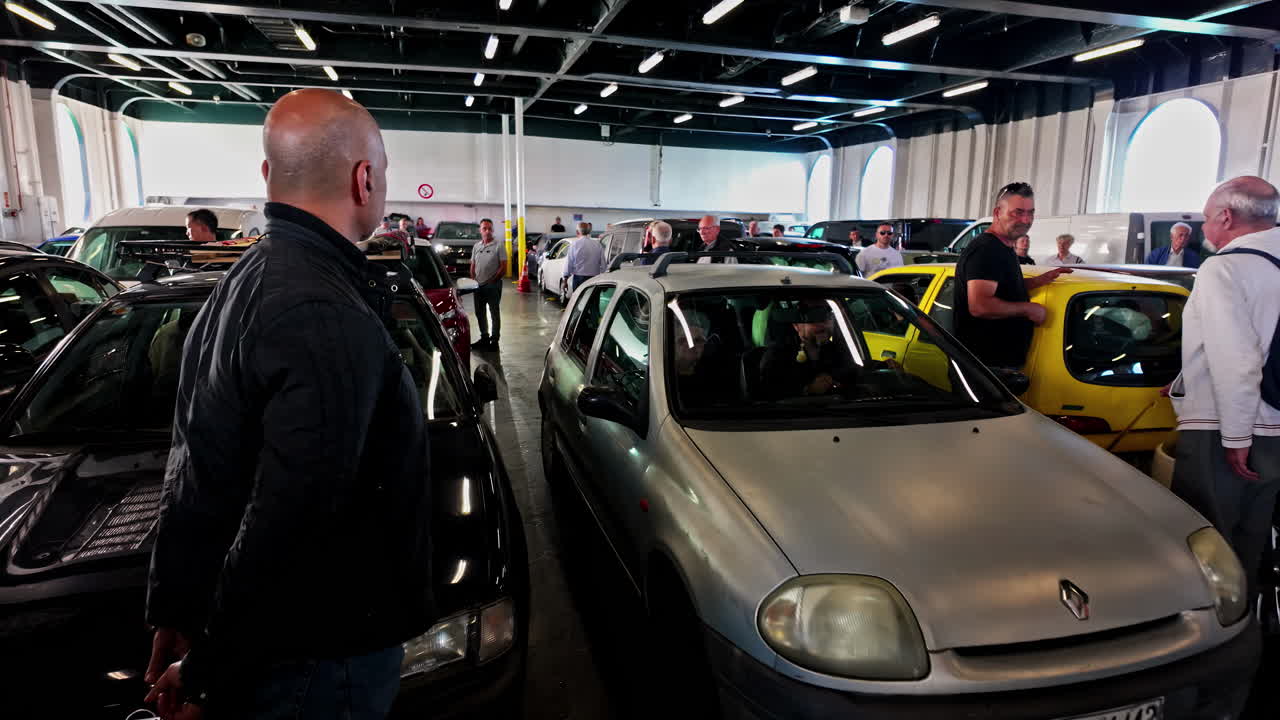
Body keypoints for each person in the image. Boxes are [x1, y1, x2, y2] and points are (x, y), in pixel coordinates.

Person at [144, 89, 430, 720]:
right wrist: (210, 662)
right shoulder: (321, 310)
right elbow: (291, 522)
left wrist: (179, 601)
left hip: (280, 649)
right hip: (320, 661)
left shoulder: (245, 281)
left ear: (268, 175)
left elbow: (194, 459)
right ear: (365, 179)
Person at [1170, 176, 1280, 598]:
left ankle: (1214, 635)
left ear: (1227, 217)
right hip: (1275, 425)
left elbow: (1237, 358)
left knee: (1208, 540)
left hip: (1227, 429)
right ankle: (1249, 620)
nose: (1202, 231)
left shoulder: (1225, 267)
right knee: (1252, 538)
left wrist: (1236, 436)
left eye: (1205, 220)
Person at [954, 182, 1071, 369]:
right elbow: (980, 305)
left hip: (998, 365)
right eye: (1018, 212)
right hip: (986, 367)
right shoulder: (987, 249)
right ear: (997, 212)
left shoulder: (1005, 247)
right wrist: (1028, 309)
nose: (1026, 220)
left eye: (1030, 212)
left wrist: (1038, 281)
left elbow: (1003, 289)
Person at [470, 217, 506, 350]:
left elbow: (503, 267)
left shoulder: (499, 245)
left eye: (490, 228)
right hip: (477, 286)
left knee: (494, 313)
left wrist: (493, 280)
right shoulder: (476, 246)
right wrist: (473, 279)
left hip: (493, 286)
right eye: (484, 228)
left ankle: (494, 341)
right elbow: (473, 265)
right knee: (479, 312)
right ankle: (484, 338)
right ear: (480, 230)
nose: (487, 231)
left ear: (493, 230)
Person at [564, 221, 604, 290]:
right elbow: (603, 264)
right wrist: (603, 279)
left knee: (579, 299)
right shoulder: (597, 244)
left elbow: (569, 263)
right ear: (589, 232)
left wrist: (565, 279)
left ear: (577, 232)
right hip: (594, 279)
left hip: (579, 279)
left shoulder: (574, 244)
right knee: (593, 300)